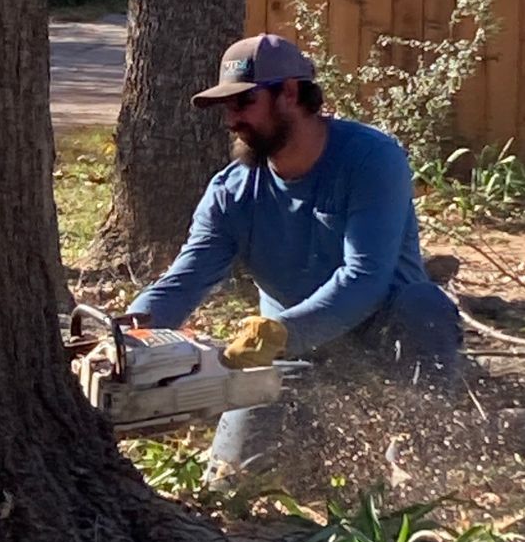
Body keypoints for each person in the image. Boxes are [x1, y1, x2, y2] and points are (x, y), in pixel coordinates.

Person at [126, 34, 461, 482]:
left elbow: (365, 277)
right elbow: (185, 280)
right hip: (288, 362)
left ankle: (426, 457)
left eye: (243, 103)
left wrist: (282, 334)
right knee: (232, 484)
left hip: (382, 342)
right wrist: (127, 334)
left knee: (425, 306)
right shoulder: (231, 193)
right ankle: (316, 449)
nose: (232, 120)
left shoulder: (370, 160)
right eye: (226, 108)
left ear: (289, 93)